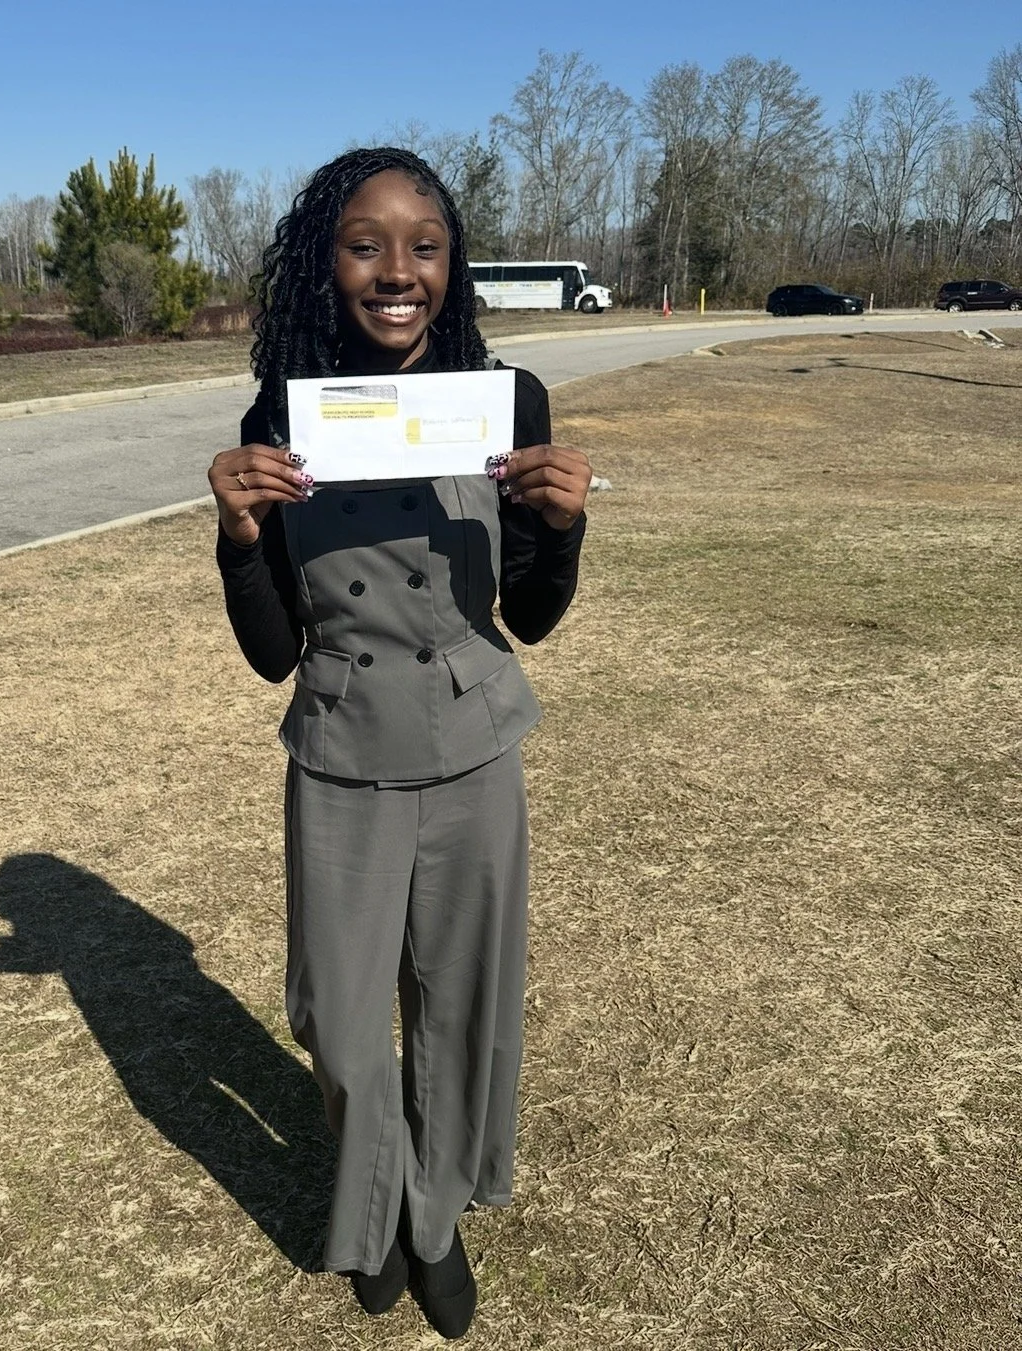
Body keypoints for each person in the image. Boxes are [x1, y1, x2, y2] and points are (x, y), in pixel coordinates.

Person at [207, 146, 592, 1338]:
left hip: (473, 739)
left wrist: (563, 529)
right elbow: (272, 649)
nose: (396, 271)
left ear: (451, 264)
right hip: (341, 745)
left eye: (423, 246)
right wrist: (235, 537)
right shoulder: (282, 414)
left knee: (463, 1002)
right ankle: (378, 1203)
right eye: (364, 244)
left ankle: (429, 1222)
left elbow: (528, 614)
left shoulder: (508, 397)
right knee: (334, 1013)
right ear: (323, 263)